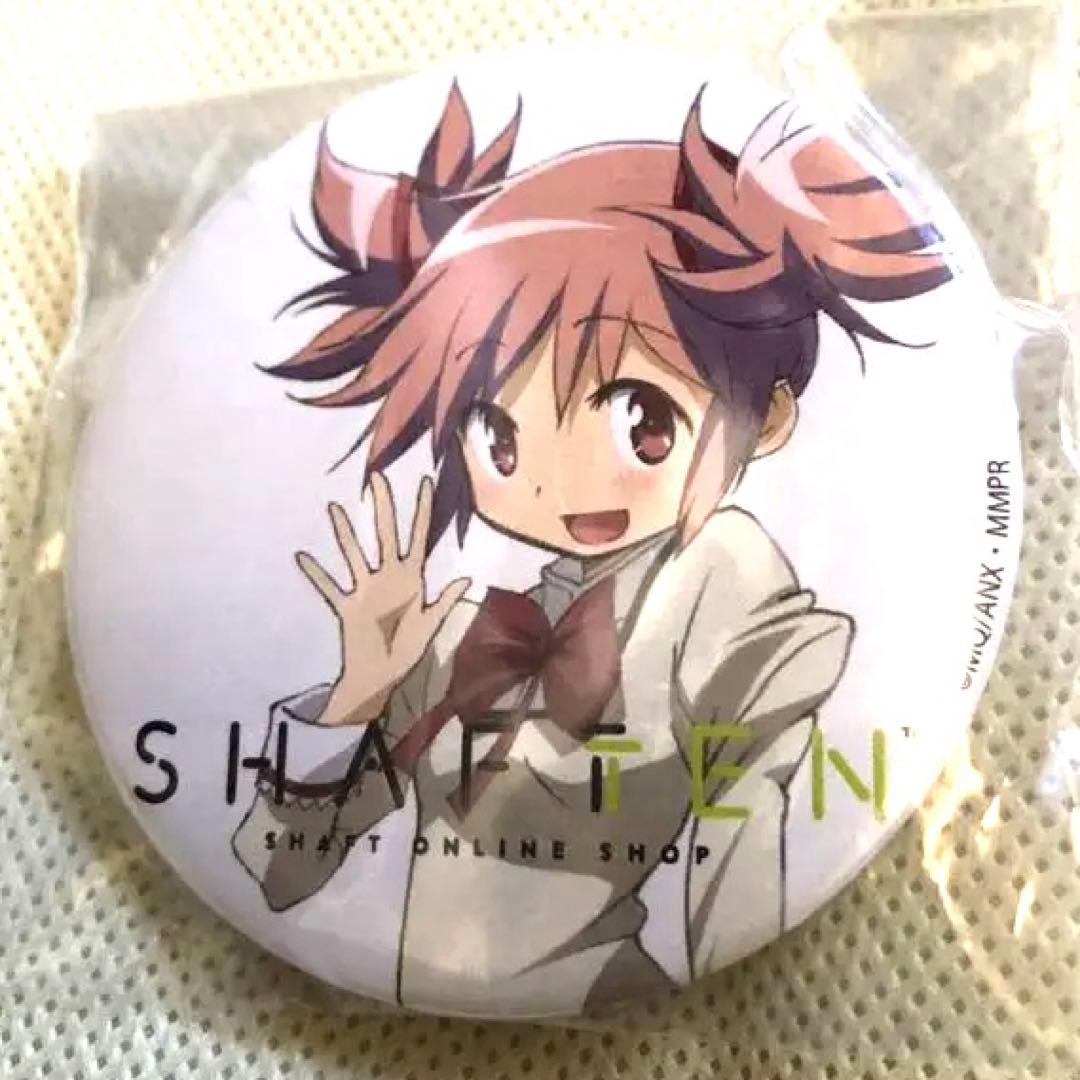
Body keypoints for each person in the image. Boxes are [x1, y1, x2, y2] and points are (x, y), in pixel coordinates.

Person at [232, 81, 951, 1015]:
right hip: (406, 1009)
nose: (560, 484)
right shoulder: (458, 625)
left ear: (768, 417)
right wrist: (355, 698)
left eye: (638, 422)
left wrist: (748, 1033)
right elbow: (280, 878)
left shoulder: (719, 585)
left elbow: (745, 861)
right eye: (498, 437)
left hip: (621, 1007)